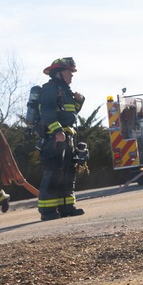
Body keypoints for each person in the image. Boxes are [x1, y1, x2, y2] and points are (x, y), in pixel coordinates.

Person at [36, 57, 86, 221]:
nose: (72, 76)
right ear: (58, 73)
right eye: (69, 72)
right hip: (55, 138)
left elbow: (69, 115)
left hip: (67, 136)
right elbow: (48, 113)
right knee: (54, 173)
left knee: (68, 173)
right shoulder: (50, 89)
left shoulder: (65, 91)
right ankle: (47, 211)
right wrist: (57, 131)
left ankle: (66, 207)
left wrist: (79, 102)